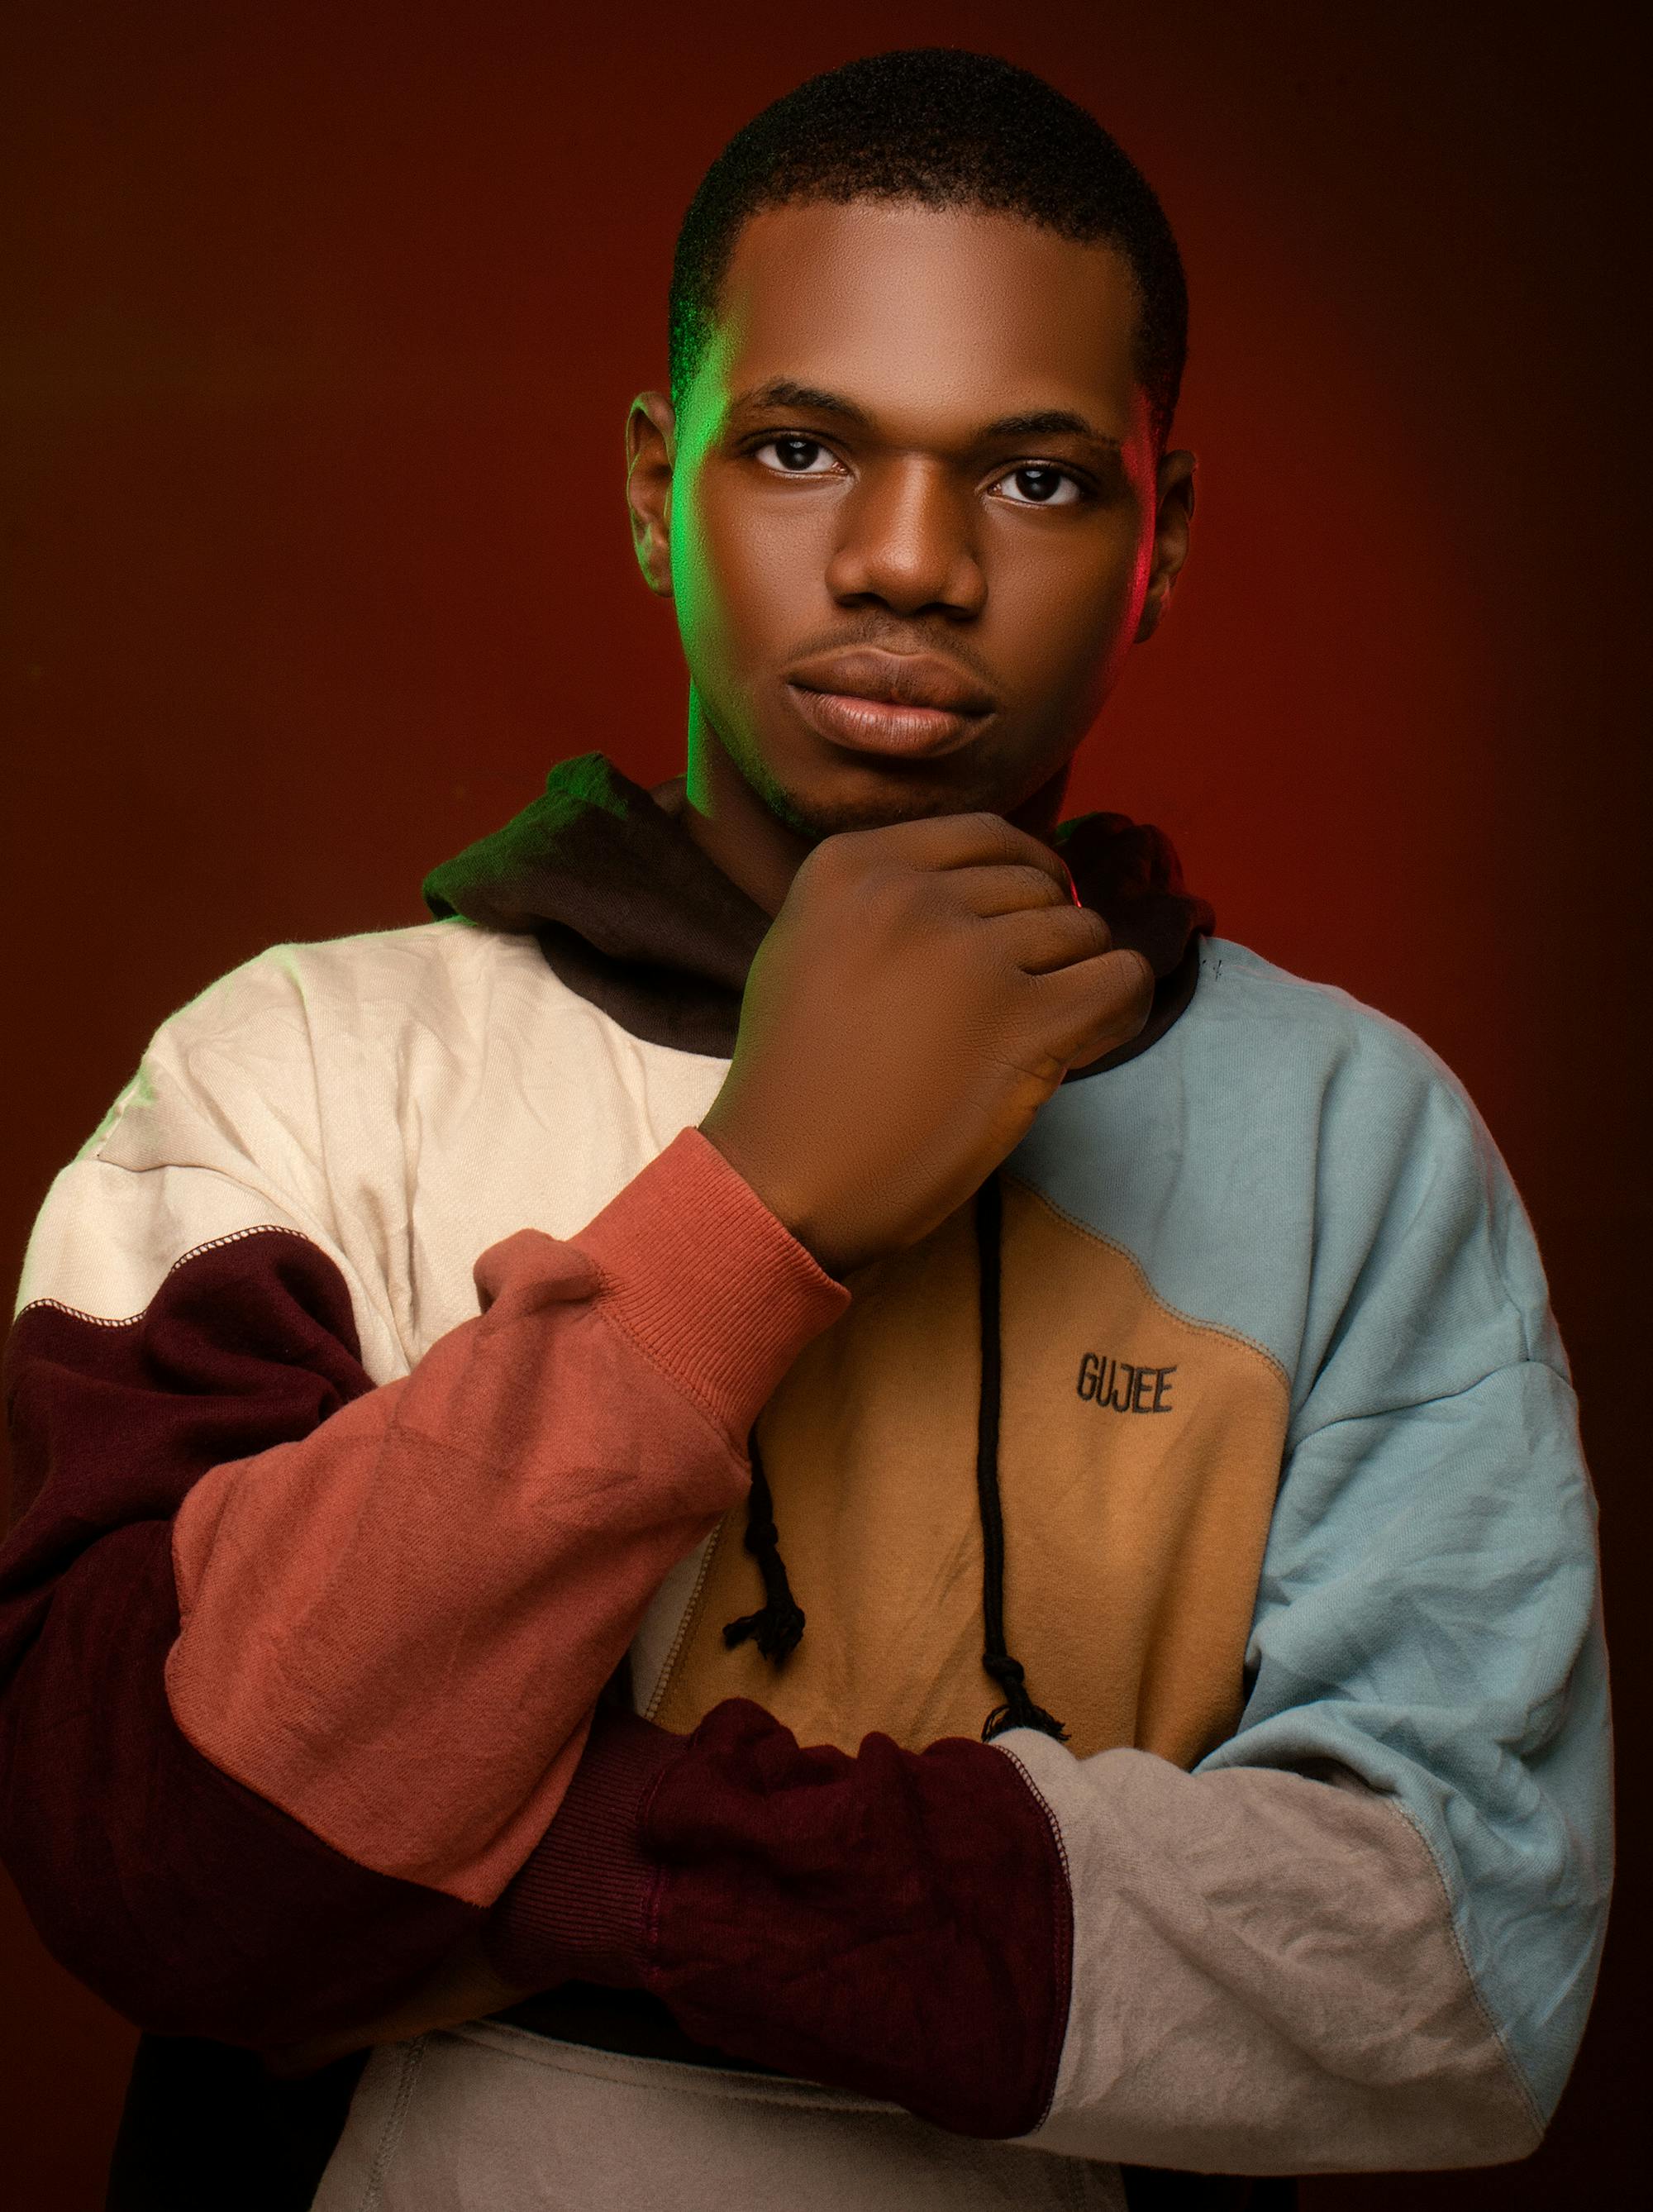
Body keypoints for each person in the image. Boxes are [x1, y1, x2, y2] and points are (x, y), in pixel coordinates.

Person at [0, 46, 1610, 2212]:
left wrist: (519, 1846)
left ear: (1163, 538)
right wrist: (757, 1202)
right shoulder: (287, 1067)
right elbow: (159, 1858)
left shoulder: (1360, 1141)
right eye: (800, 445)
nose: (912, 559)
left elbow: (1462, 1972)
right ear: (660, 489)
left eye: (1033, 477)